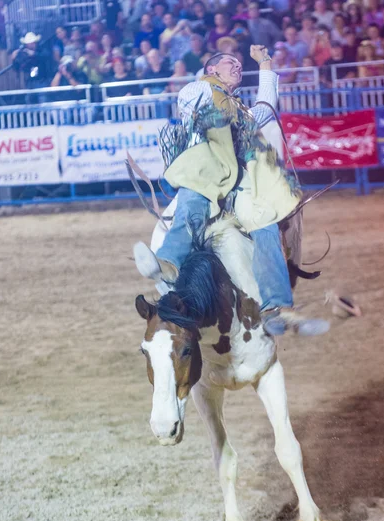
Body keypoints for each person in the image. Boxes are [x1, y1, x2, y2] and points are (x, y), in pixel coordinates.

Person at [133, 48, 330, 336]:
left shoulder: (240, 108)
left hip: (238, 180)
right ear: (212, 70)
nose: (238, 67)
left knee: (265, 223)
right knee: (193, 202)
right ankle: (167, 263)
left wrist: (265, 64)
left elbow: (264, 107)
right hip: (207, 168)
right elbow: (200, 112)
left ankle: (277, 307)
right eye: (231, 63)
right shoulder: (197, 89)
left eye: (240, 64)